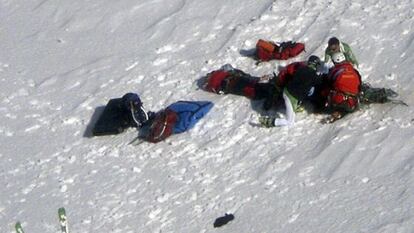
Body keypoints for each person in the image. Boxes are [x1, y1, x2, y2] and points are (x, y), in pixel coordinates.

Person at [259, 55, 323, 127]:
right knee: (289, 122)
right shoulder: (314, 75)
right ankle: (268, 121)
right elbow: (320, 82)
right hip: (291, 97)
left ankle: (294, 107)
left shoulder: (301, 68)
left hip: (287, 91)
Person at [320, 52, 362, 122]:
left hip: (339, 100)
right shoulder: (353, 70)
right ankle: (341, 111)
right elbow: (360, 84)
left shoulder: (334, 71)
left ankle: (322, 107)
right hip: (354, 101)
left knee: (325, 90)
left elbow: (328, 82)